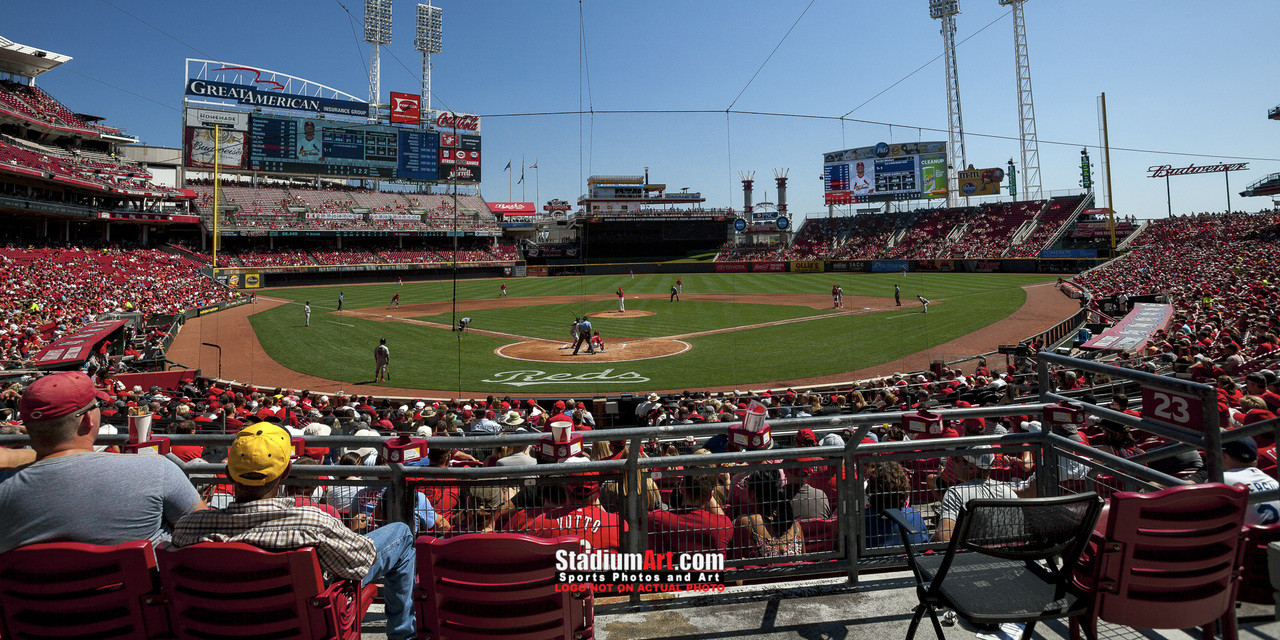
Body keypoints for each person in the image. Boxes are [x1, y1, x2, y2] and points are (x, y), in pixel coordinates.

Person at [171, 424, 417, 640]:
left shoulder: (188, 527)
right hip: (298, 626)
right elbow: (362, 562)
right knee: (402, 534)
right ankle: (403, 635)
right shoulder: (312, 523)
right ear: (286, 472)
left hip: (217, 628)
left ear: (228, 474)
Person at [0, 371, 207, 553]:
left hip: (31, 597)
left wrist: (42, 460)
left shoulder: (5, 487)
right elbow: (205, 531)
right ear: (88, 418)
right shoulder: (156, 470)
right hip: (135, 596)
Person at [933, 446, 1019, 542]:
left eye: (955, 459)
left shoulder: (956, 493)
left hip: (972, 555)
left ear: (971, 467)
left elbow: (944, 538)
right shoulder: (1008, 492)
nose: (952, 462)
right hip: (1008, 553)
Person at [1222, 438, 1279, 525]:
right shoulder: (1273, 481)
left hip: (1252, 536)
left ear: (1224, 455)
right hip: (1275, 535)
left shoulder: (1221, 478)